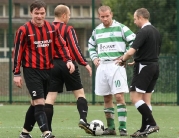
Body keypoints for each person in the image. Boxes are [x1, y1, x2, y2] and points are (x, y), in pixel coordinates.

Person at [13, 1, 75, 138]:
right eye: (36, 13)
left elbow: (61, 45)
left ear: (45, 13)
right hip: (31, 70)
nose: (39, 16)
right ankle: (46, 132)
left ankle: (24, 133)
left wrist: (68, 60)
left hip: (48, 70)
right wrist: (16, 73)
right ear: (31, 13)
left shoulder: (52, 28)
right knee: (40, 102)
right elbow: (17, 52)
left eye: (42, 13)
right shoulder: (23, 30)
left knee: (35, 103)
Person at [44, 4, 93, 134]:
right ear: (64, 15)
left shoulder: (46, 29)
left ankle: (47, 131)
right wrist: (85, 63)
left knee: (50, 98)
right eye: (69, 15)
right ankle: (83, 119)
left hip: (51, 66)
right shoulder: (67, 29)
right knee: (80, 94)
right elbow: (74, 48)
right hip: (67, 64)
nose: (69, 18)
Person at [88, 5, 135, 136]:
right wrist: (94, 58)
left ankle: (123, 128)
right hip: (102, 66)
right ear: (99, 17)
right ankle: (111, 128)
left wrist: (125, 56)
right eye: (102, 17)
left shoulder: (121, 27)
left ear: (111, 14)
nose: (105, 19)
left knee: (119, 96)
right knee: (107, 97)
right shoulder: (97, 30)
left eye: (107, 16)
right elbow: (91, 45)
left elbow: (134, 41)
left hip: (116, 65)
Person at [116, 8, 161, 137]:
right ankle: (144, 129)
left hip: (145, 67)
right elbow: (152, 51)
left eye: (135, 19)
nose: (135, 22)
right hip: (154, 66)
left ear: (141, 18)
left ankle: (152, 124)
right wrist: (137, 61)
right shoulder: (156, 32)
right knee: (146, 100)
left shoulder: (143, 31)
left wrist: (122, 60)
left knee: (134, 97)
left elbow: (131, 51)